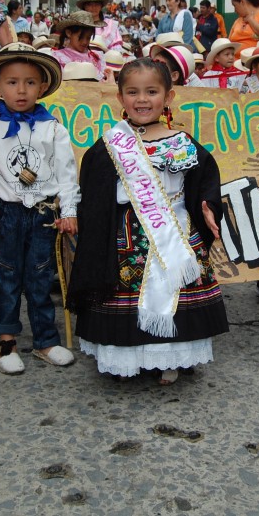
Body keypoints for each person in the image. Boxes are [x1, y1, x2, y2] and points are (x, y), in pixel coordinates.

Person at [67, 58, 227, 385]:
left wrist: (207, 205)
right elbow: (93, 190)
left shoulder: (182, 143)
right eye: (133, 92)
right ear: (120, 98)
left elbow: (205, 179)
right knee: (123, 293)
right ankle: (126, 358)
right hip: (123, 234)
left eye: (151, 91)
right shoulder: (109, 145)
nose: (142, 99)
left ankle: (169, 357)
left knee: (174, 292)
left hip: (176, 228)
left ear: (168, 97)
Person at [0, 43, 78, 374]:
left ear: (43, 87)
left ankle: (45, 341)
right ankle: (6, 341)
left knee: (39, 278)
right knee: (6, 276)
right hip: (5, 214)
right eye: (11, 82)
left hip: (43, 215)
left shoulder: (54, 128)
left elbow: (67, 175)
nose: (21, 90)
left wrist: (69, 211)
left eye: (30, 82)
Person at [51, 10, 104, 80]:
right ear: (69, 33)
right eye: (81, 37)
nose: (85, 42)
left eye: (88, 38)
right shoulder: (58, 57)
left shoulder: (95, 58)